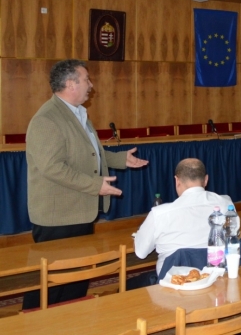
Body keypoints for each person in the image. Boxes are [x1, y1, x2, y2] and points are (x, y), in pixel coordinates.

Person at [24, 59, 148, 309]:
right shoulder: (47, 119)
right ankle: (33, 322)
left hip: (79, 210)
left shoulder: (77, 113)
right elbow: (52, 167)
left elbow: (89, 153)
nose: (91, 85)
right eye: (86, 80)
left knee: (77, 279)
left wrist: (119, 159)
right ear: (71, 84)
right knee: (50, 283)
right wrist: (95, 185)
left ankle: (72, 320)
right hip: (57, 217)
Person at [134, 158, 233, 277]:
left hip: (174, 284)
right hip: (218, 279)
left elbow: (140, 252)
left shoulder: (159, 214)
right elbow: (233, 237)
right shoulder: (226, 204)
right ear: (206, 180)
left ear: (177, 181)